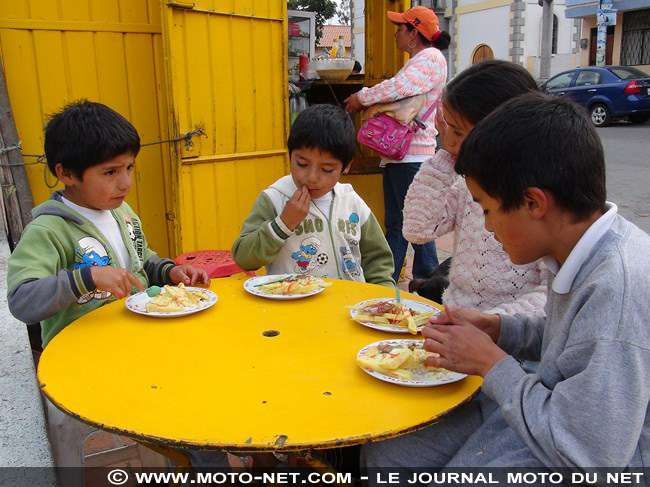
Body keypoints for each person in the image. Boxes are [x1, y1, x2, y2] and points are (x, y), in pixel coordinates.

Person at [361, 92, 650, 477]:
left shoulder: (617, 286)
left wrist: (490, 362)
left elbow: (591, 452)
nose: (487, 226)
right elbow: (574, 341)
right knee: (389, 456)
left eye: (487, 209)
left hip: (592, 452)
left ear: (534, 203)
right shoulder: (578, 247)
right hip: (547, 405)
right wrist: (501, 330)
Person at [5, 100, 227, 469]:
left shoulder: (121, 212)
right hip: (82, 361)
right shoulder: (48, 230)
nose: (125, 182)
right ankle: (195, 451)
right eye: (110, 172)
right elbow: (21, 299)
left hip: (135, 343)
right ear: (66, 173)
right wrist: (86, 278)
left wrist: (170, 272)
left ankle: (202, 449)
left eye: (129, 168)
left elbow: (141, 262)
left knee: (203, 374)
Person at [403, 60, 547, 315]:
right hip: (457, 319)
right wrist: (447, 155)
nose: (447, 139)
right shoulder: (468, 185)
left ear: (500, 130)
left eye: (458, 132)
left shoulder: (541, 198)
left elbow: (552, 295)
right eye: (447, 129)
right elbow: (417, 229)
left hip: (511, 337)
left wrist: (490, 324)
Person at [232, 104, 394, 287]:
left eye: (327, 169)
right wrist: (283, 224)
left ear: (346, 166)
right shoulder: (274, 198)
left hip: (348, 307)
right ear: (290, 155)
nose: (312, 178)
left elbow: (378, 259)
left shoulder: (351, 201)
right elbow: (244, 258)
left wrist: (383, 297)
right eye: (302, 164)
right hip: (293, 308)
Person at [344, 6, 450, 284]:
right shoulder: (422, 59)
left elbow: (397, 88)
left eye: (400, 28)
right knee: (398, 224)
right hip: (400, 156)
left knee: (414, 224)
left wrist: (362, 97)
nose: (395, 34)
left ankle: (429, 281)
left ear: (414, 33)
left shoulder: (430, 58)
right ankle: (385, 280)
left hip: (412, 157)